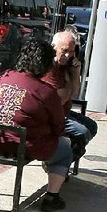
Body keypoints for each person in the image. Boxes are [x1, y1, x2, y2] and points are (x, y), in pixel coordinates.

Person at [0, 38, 73, 212]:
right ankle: (52, 197)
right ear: (46, 64)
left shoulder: (4, 78)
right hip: (27, 145)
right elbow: (59, 127)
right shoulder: (46, 92)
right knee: (64, 151)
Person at [44, 30, 98, 162]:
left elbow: (73, 93)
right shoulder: (50, 67)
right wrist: (69, 81)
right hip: (53, 115)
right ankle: (59, 163)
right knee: (82, 132)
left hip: (65, 111)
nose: (68, 55)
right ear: (54, 48)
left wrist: (76, 72)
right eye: (64, 50)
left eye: (72, 51)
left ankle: (63, 161)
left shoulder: (66, 66)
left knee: (91, 126)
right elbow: (61, 98)